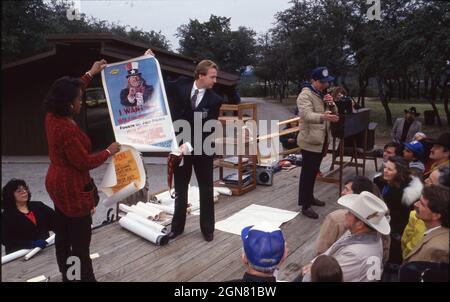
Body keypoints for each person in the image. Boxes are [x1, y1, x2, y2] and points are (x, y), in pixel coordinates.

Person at [44, 60, 121, 282]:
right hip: (71, 187)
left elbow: (72, 87)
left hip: (56, 182)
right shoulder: (67, 130)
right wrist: (108, 151)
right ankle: (82, 278)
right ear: (69, 105)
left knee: (63, 232)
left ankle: (68, 274)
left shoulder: (52, 115)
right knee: (79, 241)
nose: (82, 100)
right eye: (79, 99)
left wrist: (91, 72)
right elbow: (84, 162)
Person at [145, 49, 223, 242]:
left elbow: (208, 129)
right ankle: (177, 228)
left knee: (206, 189)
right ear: (200, 76)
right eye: (212, 77)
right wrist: (151, 62)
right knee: (181, 189)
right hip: (178, 148)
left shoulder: (215, 99)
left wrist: (190, 145)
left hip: (202, 148)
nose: (215, 81)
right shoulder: (181, 85)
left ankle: (207, 228)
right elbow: (161, 83)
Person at [302, 191, 390, 282]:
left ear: (360, 224)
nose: (345, 214)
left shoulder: (354, 254)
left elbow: (326, 277)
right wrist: (313, 263)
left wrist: (310, 271)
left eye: (349, 213)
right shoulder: (368, 235)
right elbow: (335, 246)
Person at [297, 67, 339, 219]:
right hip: (310, 141)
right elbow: (306, 114)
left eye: (327, 82)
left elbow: (335, 111)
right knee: (307, 174)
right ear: (313, 81)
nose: (325, 85)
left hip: (321, 139)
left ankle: (310, 197)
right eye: (322, 82)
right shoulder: (305, 95)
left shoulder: (322, 94)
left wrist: (332, 104)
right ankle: (305, 205)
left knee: (313, 172)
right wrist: (324, 117)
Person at [376, 156, 423, 270]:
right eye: (385, 167)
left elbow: (400, 220)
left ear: (400, 173)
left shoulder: (403, 195)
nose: (385, 171)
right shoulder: (381, 181)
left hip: (395, 232)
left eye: (390, 169)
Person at [315, 175, 378, 255]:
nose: (342, 192)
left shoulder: (335, 218)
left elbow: (320, 250)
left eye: (346, 189)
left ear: (356, 195)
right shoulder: (376, 218)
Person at [401, 167, 449, 259]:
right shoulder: (419, 213)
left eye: (431, 181)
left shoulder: (437, 248)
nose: (425, 181)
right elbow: (406, 239)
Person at [1, 179, 55, 254]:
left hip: (45, 252)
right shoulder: (6, 216)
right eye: (19, 191)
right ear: (10, 195)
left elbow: (57, 222)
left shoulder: (39, 206)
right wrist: (30, 244)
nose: (24, 192)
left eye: (25, 189)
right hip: (19, 257)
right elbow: (6, 240)